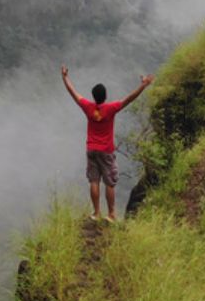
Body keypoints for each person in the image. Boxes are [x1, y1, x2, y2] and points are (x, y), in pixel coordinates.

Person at [60, 65, 154, 222]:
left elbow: (73, 93)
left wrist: (65, 77)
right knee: (109, 182)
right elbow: (129, 99)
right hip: (106, 150)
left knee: (94, 180)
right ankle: (111, 214)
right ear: (105, 96)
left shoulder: (88, 107)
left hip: (91, 149)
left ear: (94, 96)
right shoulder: (111, 108)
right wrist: (143, 85)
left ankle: (96, 213)